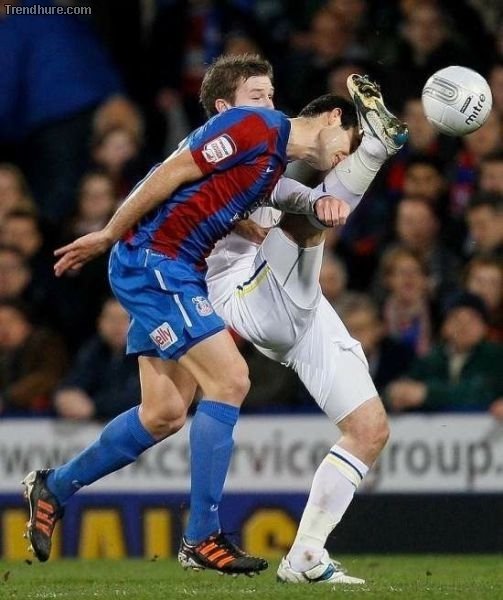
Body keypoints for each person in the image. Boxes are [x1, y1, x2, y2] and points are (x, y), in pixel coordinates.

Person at [22, 63, 360, 574]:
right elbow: (171, 172)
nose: (347, 156)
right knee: (231, 379)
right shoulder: (259, 126)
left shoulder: (269, 155)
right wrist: (109, 233)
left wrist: (267, 217)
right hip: (156, 262)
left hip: (174, 268)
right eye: (351, 143)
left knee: (163, 413)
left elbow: (227, 192)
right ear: (333, 117)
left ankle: (54, 486)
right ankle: (202, 536)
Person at [386, 292, 503, 413]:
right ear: (444, 327)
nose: (464, 326)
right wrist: (396, 394)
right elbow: (405, 385)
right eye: (456, 319)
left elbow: (483, 393)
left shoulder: (497, 357)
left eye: (472, 320)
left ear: (484, 327)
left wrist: (428, 394)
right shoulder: (430, 359)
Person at [53, 298, 140, 421]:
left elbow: (139, 398)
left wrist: (94, 407)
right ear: (100, 322)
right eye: (111, 319)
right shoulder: (94, 349)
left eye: (124, 319)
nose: (117, 326)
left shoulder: (148, 355)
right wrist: (66, 396)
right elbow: (75, 381)